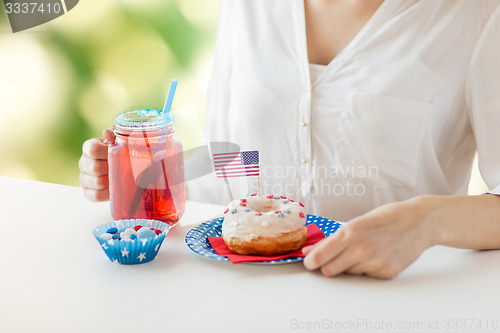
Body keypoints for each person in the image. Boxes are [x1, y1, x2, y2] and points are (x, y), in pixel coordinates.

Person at [79, 0, 500, 279]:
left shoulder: (475, 13)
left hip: (393, 301)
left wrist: (427, 221)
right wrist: (148, 177)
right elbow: (234, 156)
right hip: (244, 297)